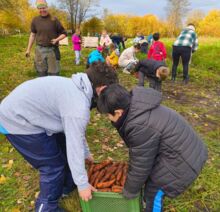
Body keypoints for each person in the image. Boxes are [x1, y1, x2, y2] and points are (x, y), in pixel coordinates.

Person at [0, 62, 118, 211]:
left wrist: (86, 153)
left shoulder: (78, 87)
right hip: (17, 120)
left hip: (31, 113)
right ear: (101, 89)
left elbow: (75, 132)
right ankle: (46, 208)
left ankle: (65, 189)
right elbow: (74, 145)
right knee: (53, 166)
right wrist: (83, 185)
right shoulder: (78, 106)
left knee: (63, 153)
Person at [97, 84, 207, 212]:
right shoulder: (138, 106)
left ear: (118, 112)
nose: (108, 119)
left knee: (152, 192)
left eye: (108, 115)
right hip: (186, 149)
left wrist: (129, 191)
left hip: (183, 162)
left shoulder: (139, 125)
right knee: (148, 180)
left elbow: (141, 164)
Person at [25, 0, 67, 77]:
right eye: (40, 8)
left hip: (52, 50)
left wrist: (57, 39)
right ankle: (43, 87)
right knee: (41, 73)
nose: (42, 10)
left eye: (44, 8)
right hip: (39, 50)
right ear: (38, 9)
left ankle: (53, 88)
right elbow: (32, 35)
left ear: (47, 7)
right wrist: (28, 49)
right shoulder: (35, 20)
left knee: (54, 74)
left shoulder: (54, 19)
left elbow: (64, 33)